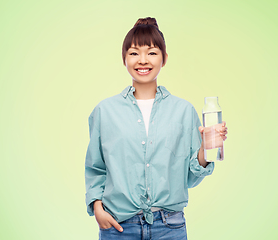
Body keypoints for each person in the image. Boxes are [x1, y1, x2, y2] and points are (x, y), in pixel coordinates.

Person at [84, 17, 228, 240]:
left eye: (151, 52)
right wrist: (97, 207)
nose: (143, 60)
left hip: (169, 227)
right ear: (124, 59)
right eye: (134, 53)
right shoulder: (104, 111)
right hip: (118, 226)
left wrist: (206, 150)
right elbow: (96, 167)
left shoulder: (183, 111)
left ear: (164, 58)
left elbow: (189, 176)